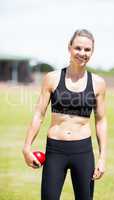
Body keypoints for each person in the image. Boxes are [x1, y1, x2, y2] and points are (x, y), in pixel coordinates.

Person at [22, 29, 107, 200]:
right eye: (78, 48)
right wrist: (26, 147)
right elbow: (39, 113)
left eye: (87, 49)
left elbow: (101, 121)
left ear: (92, 51)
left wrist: (102, 158)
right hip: (55, 150)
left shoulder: (98, 83)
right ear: (69, 48)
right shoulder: (52, 78)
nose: (82, 53)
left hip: (83, 151)